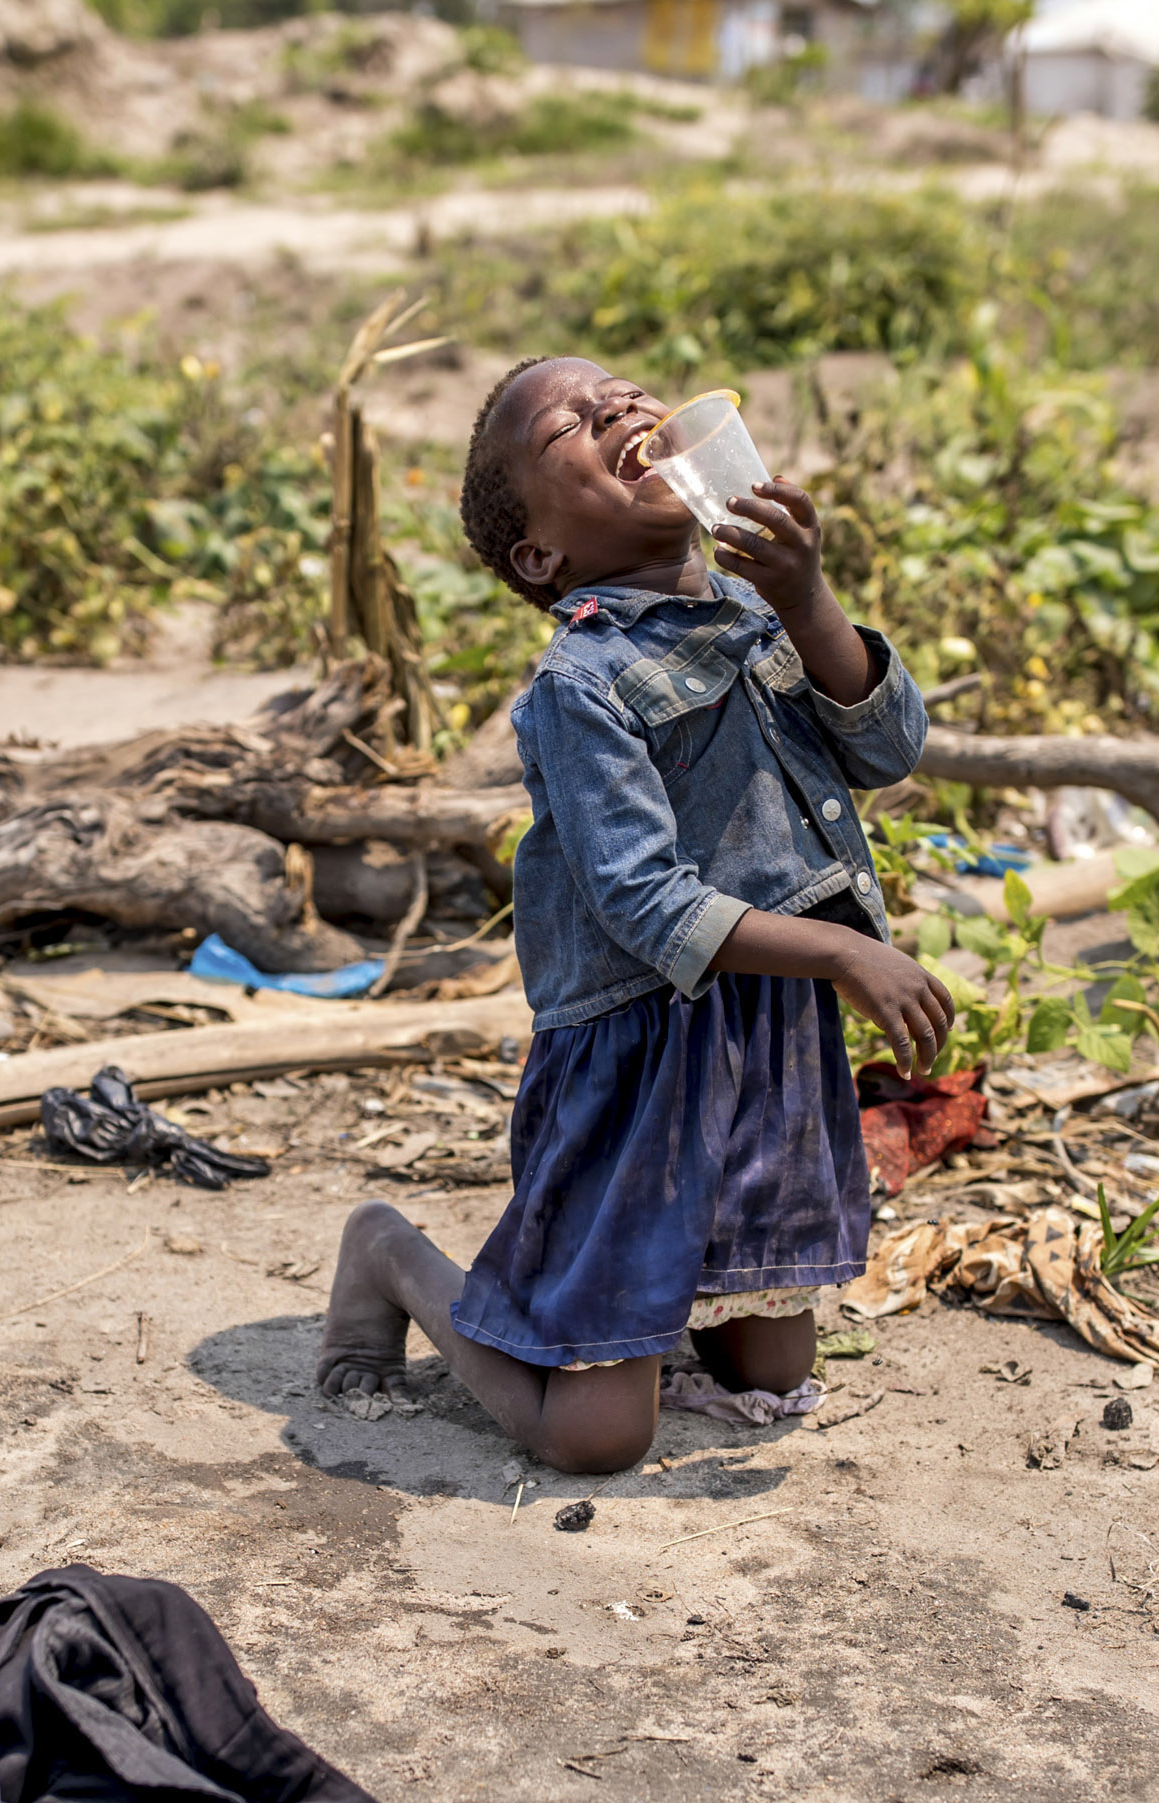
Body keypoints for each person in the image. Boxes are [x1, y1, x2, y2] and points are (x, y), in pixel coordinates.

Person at [318, 357, 952, 1473]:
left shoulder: (759, 613)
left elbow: (886, 748)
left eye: (624, 391)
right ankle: (388, 1256)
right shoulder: (581, 682)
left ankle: (656, 1309)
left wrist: (808, 598)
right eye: (568, 420)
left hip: (763, 1033)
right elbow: (641, 900)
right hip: (644, 1051)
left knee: (773, 1371)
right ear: (539, 554)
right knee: (597, 1436)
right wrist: (845, 950)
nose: (617, 406)